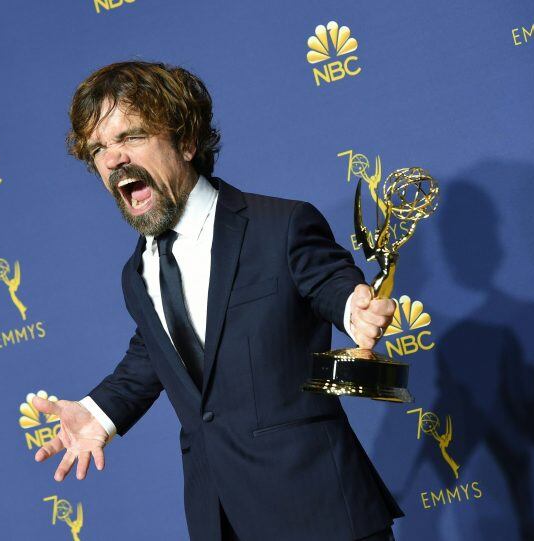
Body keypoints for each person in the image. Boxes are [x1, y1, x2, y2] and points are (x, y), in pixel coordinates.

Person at [31, 61, 403, 541]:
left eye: (131, 137)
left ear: (186, 141)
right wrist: (98, 414)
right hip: (220, 519)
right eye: (99, 148)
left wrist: (356, 311)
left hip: (319, 510)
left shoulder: (279, 224)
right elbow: (153, 353)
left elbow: (331, 283)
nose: (113, 159)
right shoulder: (137, 273)